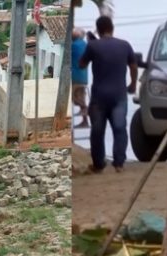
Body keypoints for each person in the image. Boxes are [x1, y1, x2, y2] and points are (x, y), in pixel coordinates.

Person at [80, 16, 138, 173]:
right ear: (112, 28)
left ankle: (98, 165)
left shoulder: (93, 46)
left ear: (98, 30)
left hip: (99, 97)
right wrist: (132, 84)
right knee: (120, 128)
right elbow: (133, 66)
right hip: (119, 95)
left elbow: (81, 64)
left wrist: (91, 43)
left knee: (97, 131)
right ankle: (119, 163)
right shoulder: (124, 45)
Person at [72, 27, 89, 128]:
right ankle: (85, 120)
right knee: (81, 97)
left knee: (74, 98)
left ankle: (86, 109)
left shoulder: (74, 45)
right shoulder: (84, 44)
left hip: (75, 77)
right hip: (83, 77)